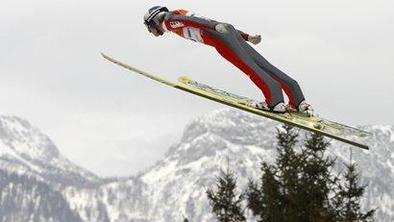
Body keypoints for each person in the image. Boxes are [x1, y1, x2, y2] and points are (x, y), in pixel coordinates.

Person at [143, 6, 313, 114]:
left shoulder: (169, 20)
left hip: (218, 36)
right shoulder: (175, 14)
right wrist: (246, 36)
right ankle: (297, 99)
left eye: (151, 29)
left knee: (249, 66)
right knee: (262, 64)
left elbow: (195, 21)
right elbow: (209, 21)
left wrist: (214, 28)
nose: (154, 32)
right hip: (226, 31)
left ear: (154, 21)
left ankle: (274, 101)